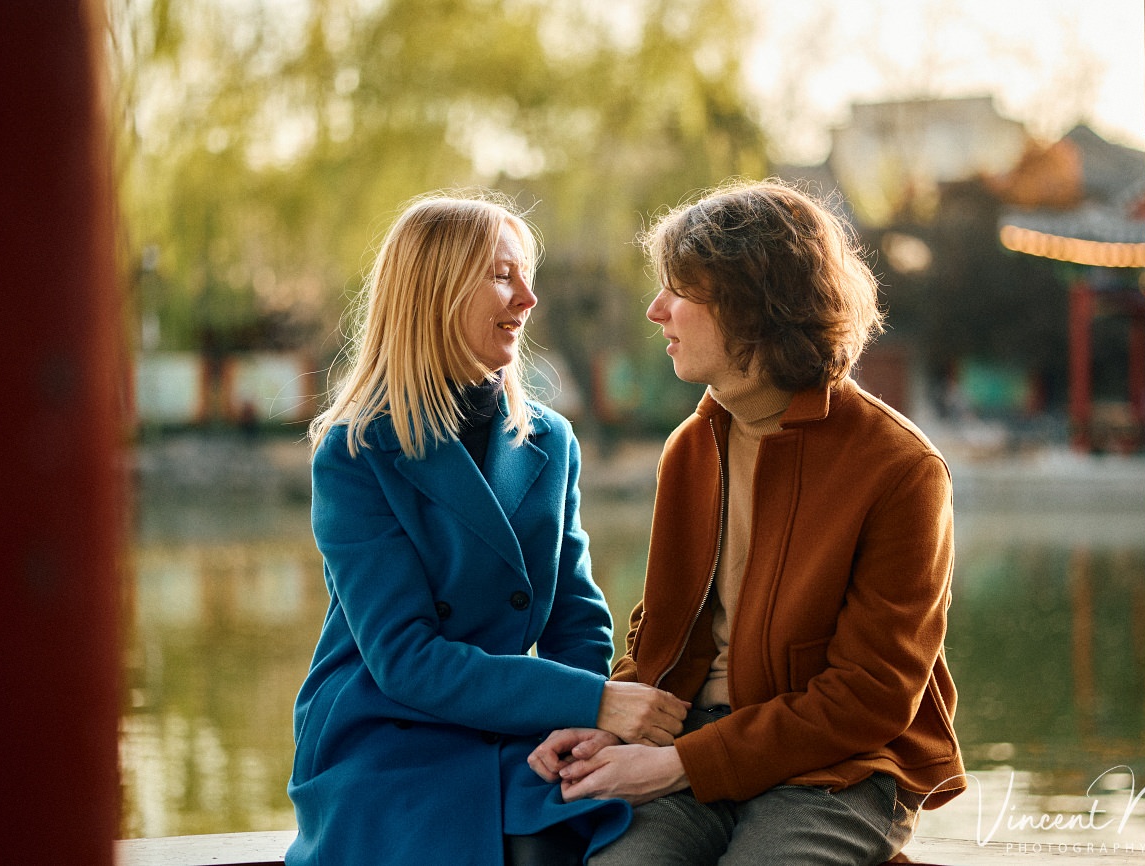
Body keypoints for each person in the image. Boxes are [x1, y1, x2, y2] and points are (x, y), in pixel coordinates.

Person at [529, 179, 966, 865]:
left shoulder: (901, 467)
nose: (655, 310)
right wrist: (611, 720)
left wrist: (681, 764)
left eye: (680, 290)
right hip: (689, 736)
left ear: (752, 307)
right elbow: (663, 627)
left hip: (840, 767)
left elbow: (871, 697)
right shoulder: (692, 445)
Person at [286, 191, 688, 866]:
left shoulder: (551, 440)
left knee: (565, 836)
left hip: (516, 723)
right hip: (384, 729)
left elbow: (576, 617)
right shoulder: (356, 451)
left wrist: (579, 725)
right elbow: (404, 658)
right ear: (435, 294)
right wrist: (594, 700)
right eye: (504, 276)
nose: (528, 299)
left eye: (526, 276)